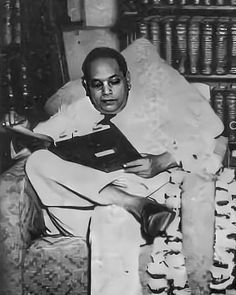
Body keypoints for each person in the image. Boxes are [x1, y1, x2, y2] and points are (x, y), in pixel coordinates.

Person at [2, 47, 179, 244]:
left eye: (114, 82)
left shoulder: (154, 108)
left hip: (139, 206)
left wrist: (163, 161)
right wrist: (21, 130)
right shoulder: (75, 111)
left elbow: (212, 147)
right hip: (85, 214)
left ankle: (139, 211)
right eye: (97, 85)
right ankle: (137, 206)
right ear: (86, 86)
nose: (107, 91)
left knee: (119, 222)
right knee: (37, 160)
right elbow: (34, 142)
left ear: (127, 79)